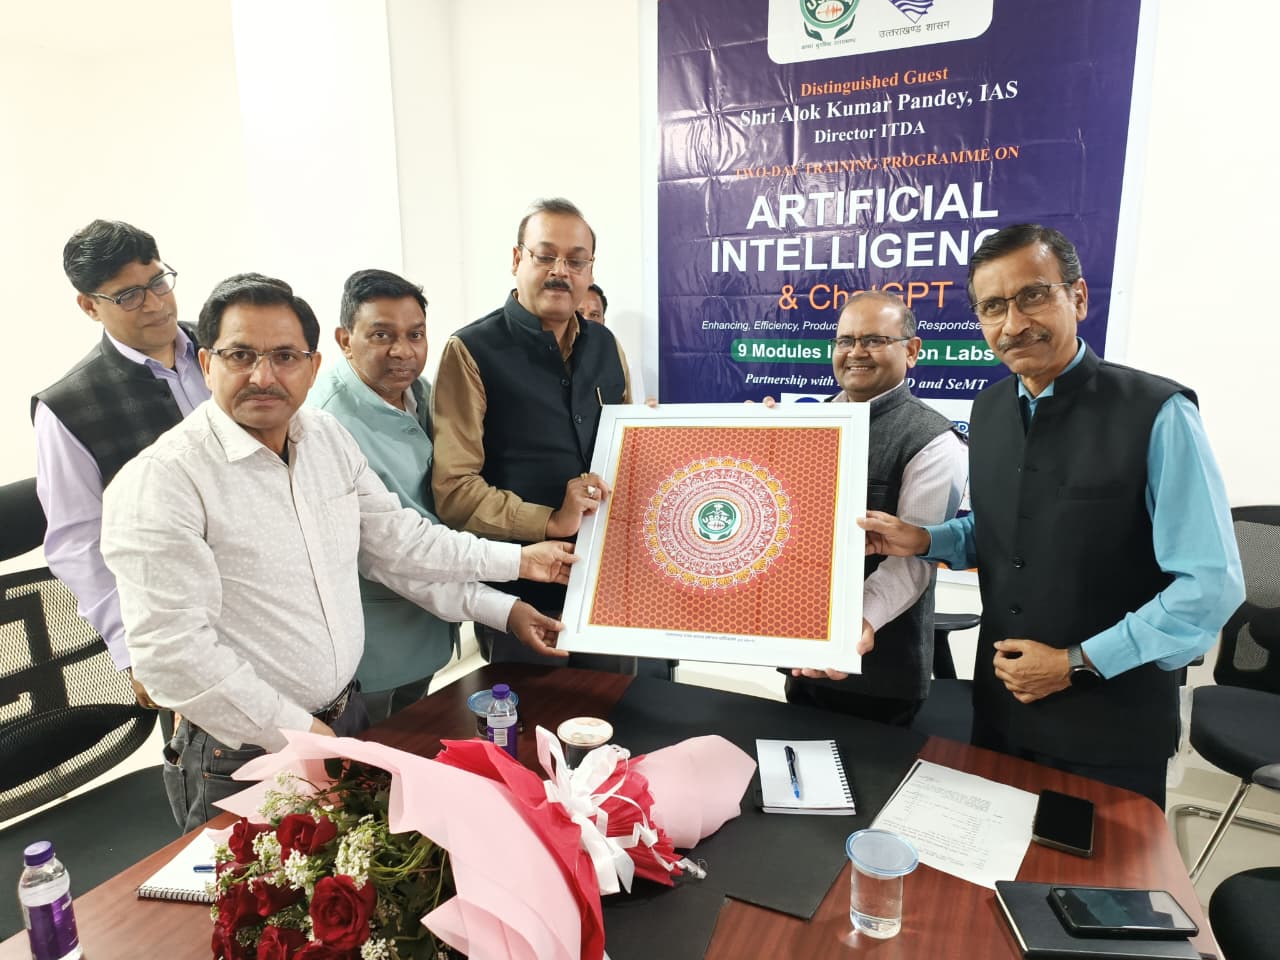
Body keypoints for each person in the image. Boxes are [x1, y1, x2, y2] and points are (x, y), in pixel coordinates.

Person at [101, 273, 576, 830]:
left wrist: (519, 561)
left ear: (313, 365)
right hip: (244, 752)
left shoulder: (325, 438)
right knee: (265, 888)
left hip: (345, 718)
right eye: (241, 355)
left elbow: (398, 543)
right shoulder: (163, 481)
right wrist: (303, 734)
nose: (263, 376)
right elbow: (171, 656)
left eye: (284, 356)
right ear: (207, 364)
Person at [859, 224, 1244, 806]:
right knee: (991, 860)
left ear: (1078, 297)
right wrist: (924, 539)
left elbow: (1210, 585)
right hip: (1000, 712)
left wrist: (1077, 662)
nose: (1013, 324)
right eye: (993, 307)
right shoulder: (988, 410)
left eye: (1033, 296)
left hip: (1108, 724)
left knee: (1099, 869)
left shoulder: (1157, 413)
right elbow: (1009, 532)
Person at [433, 197, 655, 673]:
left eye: (576, 261)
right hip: (519, 598)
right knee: (527, 716)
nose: (561, 271)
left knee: (619, 711)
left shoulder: (606, 345)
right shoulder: (470, 350)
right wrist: (550, 520)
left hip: (607, 589)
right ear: (517, 259)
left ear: (590, 269)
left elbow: (625, 458)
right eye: (545, 255)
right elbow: (454, 491)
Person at [32, 220, 209, 715]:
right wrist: (133, 648)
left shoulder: (224, 348)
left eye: (157, 281)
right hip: (175, 618)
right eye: (128, 295)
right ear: (89, 306)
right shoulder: (67, 408)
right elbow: (78, 541)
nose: (155, 304)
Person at [784, 292, 967, 726]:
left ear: (912, 350)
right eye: (845, 340)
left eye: (873, 340)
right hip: (801, 655)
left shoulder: (932, 440)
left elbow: (913, 563)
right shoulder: (807, 424)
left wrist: (850, 625)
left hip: (880, 670)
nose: (856, 352)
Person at [307, 268, 460, 723]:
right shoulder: (326, 421)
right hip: (373, 647)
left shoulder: (421, 393)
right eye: (381, 335)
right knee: (370, 754)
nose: (403, 351)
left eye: (415, 334)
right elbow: (389, 547)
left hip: (428, 625)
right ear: (344, 339)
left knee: (419, 735)